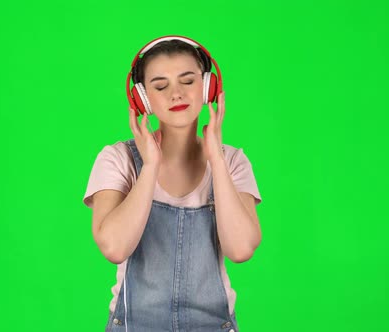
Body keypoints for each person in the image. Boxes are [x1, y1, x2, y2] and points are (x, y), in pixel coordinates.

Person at [83, 35, 263, 332]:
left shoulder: (232, 162)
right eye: (160, 86)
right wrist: (150, 166)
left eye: (188, 81)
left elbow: (241, 249)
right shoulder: (117, 159)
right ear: (142, 99)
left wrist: (216, 159)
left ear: (208, 87)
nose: (176, 94)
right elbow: (114, 247)